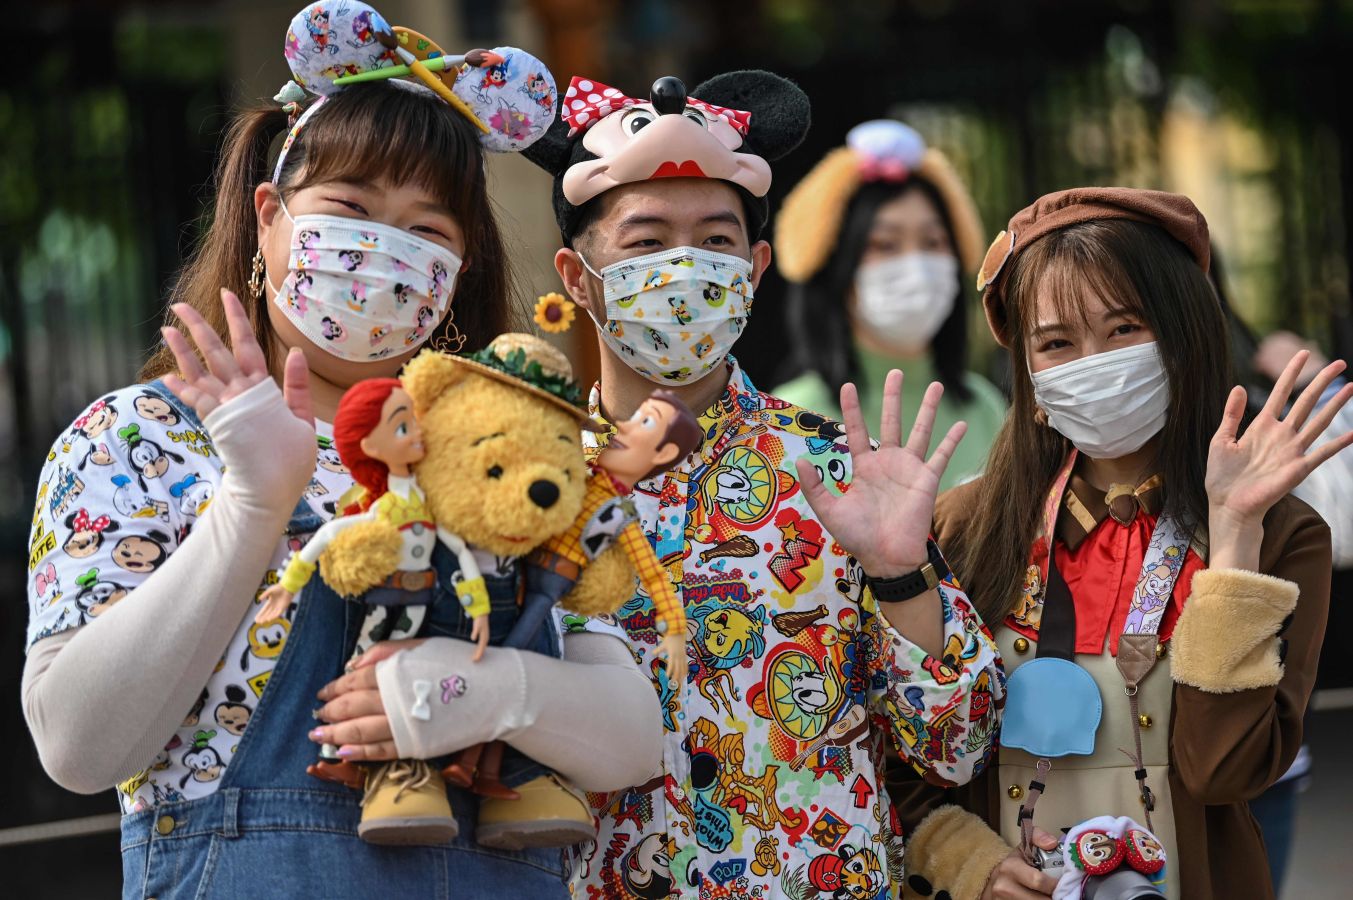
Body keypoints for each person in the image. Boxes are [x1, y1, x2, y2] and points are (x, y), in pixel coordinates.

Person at [21, 3, 658, 896]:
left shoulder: (513, 455)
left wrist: (473, 690)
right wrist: (251, 506)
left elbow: (630, 736)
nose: (384, 248)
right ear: (270, 217)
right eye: (351, 208)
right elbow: (78, 747)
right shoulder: (140, 436)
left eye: (427, 230)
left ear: (462, 266)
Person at [516, 70, 1004, 898]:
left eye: (715, 241)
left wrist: (898, 573)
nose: (683, 266)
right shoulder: (516, 487)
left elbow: (956, 746)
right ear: (574, 275)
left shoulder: (834, 472)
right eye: (644, 243)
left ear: (756, 266)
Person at [889, 188, 1347, 900]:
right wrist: (969, 863)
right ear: (1031, 376)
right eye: (1056, 342)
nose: (1091, 361)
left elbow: (1221, 771)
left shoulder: (1278, 535)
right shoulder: (958, 527)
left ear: (1182, 336)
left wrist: (1231, 543)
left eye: (1123, 327)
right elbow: (901, 764)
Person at [773, 120, 1006, 490]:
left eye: (932, 242)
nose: (915, 265)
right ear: (839, 269)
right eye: (885, 244)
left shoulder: (986, 408)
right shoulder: (791, 417)